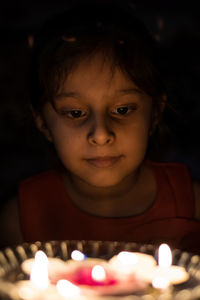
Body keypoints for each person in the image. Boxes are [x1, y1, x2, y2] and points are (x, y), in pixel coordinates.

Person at [1, 1, 200, 253]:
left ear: (155, 112)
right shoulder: (20, 219)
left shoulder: (191, 204)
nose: (101, 135)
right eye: (75, 113)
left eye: (122, 110)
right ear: (43, 122)